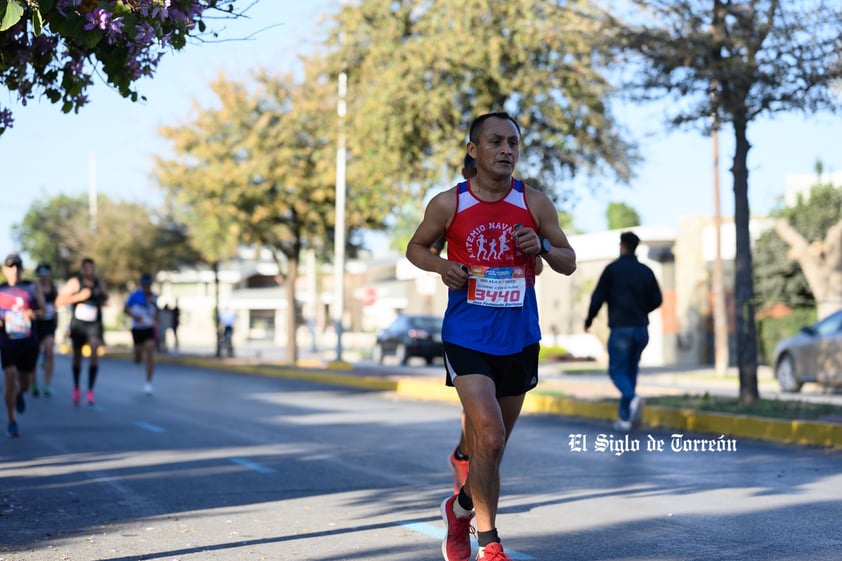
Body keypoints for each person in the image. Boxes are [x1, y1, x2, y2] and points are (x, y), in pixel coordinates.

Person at [407, 112, 576, 561]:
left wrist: (541, 247)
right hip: (467, 335)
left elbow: (569, 260)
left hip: (519, 336)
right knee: (491, 435)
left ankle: (458, 509)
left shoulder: (534, 203)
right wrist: (443, 266)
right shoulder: (449, 204)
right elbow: (416, 247)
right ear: (473, 150)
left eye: (514, 143)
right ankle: (490, 543)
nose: (507, 150)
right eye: (497, 142)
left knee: (492, 450)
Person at [584, 231, 663, 432]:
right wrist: (642, 310)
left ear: (622, 246)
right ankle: (625, 418)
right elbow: (657, 300)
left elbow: (598, 297)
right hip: (641, 329)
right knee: (630, 372)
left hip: (621, 330)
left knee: (617, 371)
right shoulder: (646, 270)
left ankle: (632, 398)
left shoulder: (612, 269)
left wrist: (589, 319)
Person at [0, 253, 45, 437]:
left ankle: (20, 394)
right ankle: (12, 420)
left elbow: (44, 310)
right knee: (10, 378)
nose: (15, 270)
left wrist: (34, 314)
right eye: (11, 266)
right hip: (7, 341)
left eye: (17, 266)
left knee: (24, 382)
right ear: (4, 270)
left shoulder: (32, 287)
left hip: (28, 342)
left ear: (22, 269)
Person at [55, 257, 109, 406]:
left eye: (92, 268)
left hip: (94, 325)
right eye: (87, 268)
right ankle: (77, 386)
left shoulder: (99, 283)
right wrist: (79, 297)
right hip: (79, 325)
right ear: (82, 270)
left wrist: (103, 301)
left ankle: (90, 390)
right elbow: (59, 301)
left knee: (94, 351)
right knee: (77, 356)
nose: (90, 271)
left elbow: (106, 299)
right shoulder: (75, 283)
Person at [124, 273, 159, 395]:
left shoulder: (154, 297)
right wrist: (134, 316)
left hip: (149, 328)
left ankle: (148, 382)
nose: (146, 287)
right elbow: (125, 308)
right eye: (144, 285)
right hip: (137, 329)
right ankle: (137, 360)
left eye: (148, 285)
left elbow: (156, 313)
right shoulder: (135, 295)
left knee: (150, 351)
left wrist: (156, 320)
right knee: (138, 353)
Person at [32, 263, 58, 397]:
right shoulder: (34, 288)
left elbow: (57, 305)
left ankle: (47, 384)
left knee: (50, 350)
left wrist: (56, 323)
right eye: (41, 273)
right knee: (33, 356)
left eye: (46, 273)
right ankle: (34, 383)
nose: (44, 276)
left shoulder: (53, 288)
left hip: (49, 324)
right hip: (36, 324)